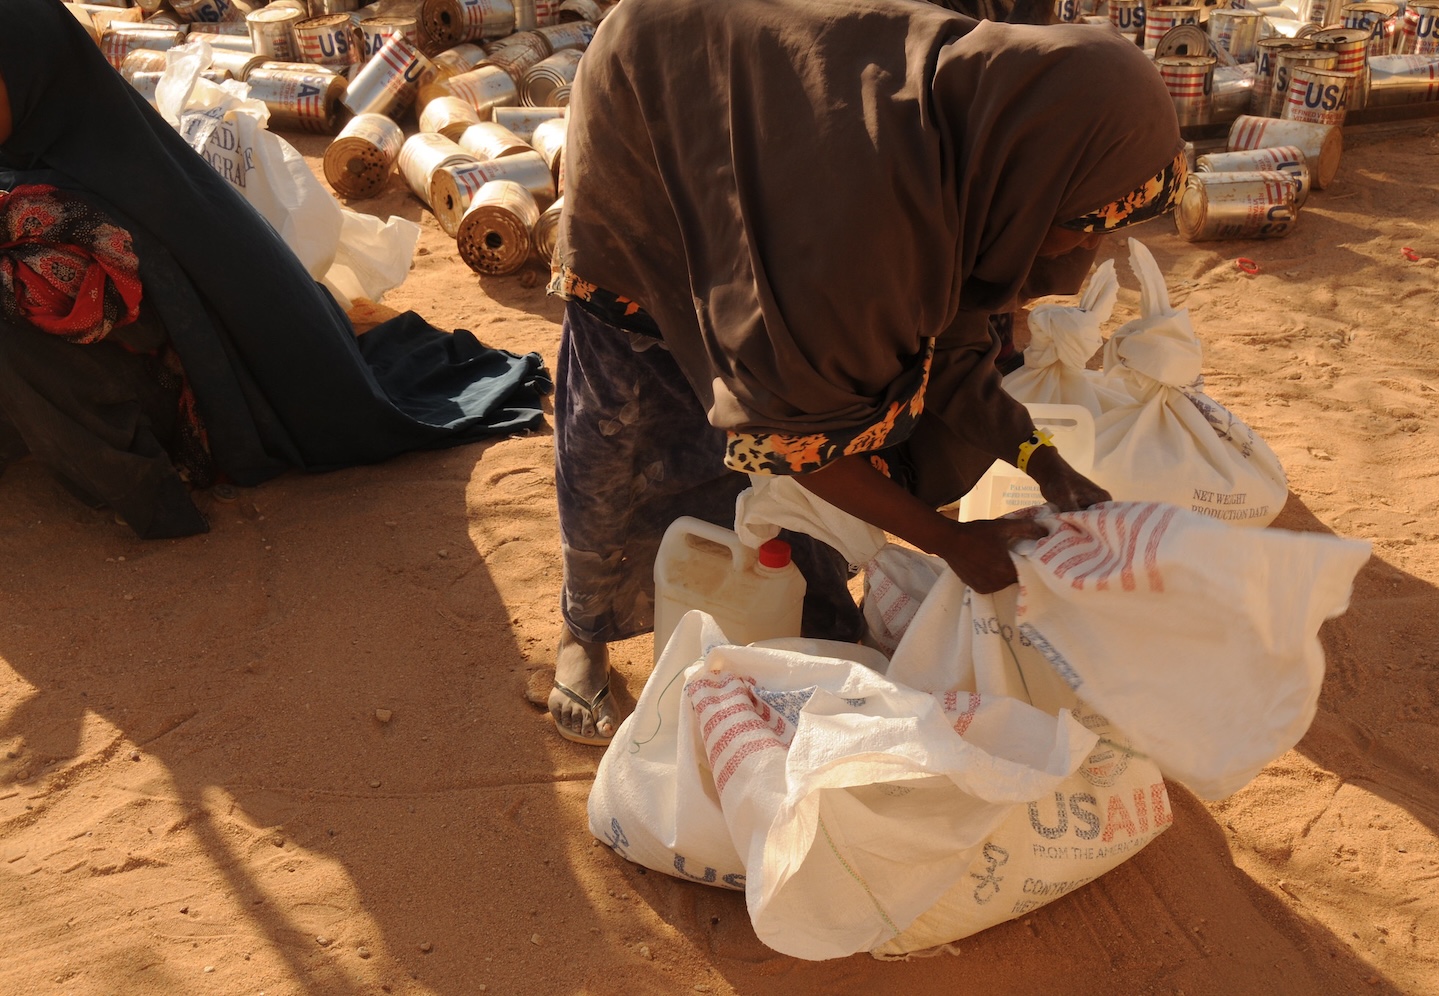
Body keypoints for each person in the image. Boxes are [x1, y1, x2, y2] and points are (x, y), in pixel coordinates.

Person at [546, 0, 1189, 744]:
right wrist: (951, 544)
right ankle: (582, 631)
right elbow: (802, 446)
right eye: (1084, 223)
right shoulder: (864, 236)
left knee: (784, 457)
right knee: (623, 424)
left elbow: (951, 356)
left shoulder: (970, 151)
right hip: (653, 110)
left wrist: (1039, 459)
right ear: (1039, 170)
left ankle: (799, 607)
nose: (1084, 257)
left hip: (772, 133)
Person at [0, 0, 553, 538]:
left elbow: (94, 306)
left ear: (33, 76)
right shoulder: (50, 148)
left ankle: (145, 493)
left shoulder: (104, 178)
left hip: (206, 394)